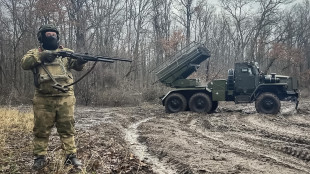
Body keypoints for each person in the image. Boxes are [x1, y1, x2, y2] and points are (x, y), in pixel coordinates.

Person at [21, 24, 88, 170]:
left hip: (65, 97)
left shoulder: (66, 52)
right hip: (43, 99)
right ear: (41, 37)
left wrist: (81, 60)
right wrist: (41, 56)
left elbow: (76, 66)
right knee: (41, 130)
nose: (51, 37)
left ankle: (71, 156)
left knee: (67, 128)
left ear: (58, 36)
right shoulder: (34, 52)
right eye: (48, 35)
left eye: (53, 34)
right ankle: (39, 157)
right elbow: (24, 63)